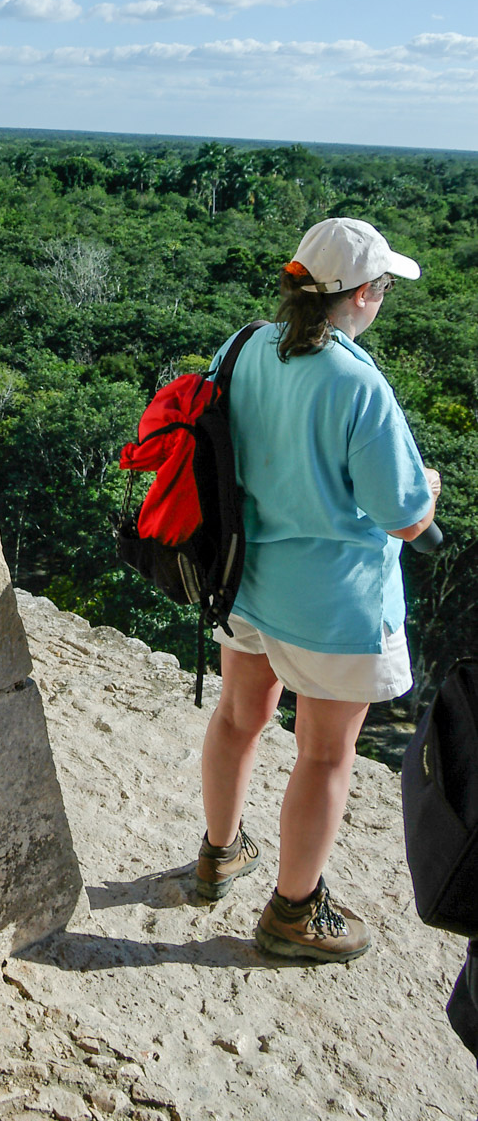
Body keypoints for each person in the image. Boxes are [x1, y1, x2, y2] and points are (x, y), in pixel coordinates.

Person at [195, 217, 439, 962]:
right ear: (363, 295)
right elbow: (403, 518)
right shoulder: (358, 383)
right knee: (326, 754)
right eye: (385, 287)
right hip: (333, 603)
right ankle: (294, 910)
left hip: (245, 577)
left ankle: (220, 852)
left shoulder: (241, 347)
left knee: (239, 717)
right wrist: (429, 487)